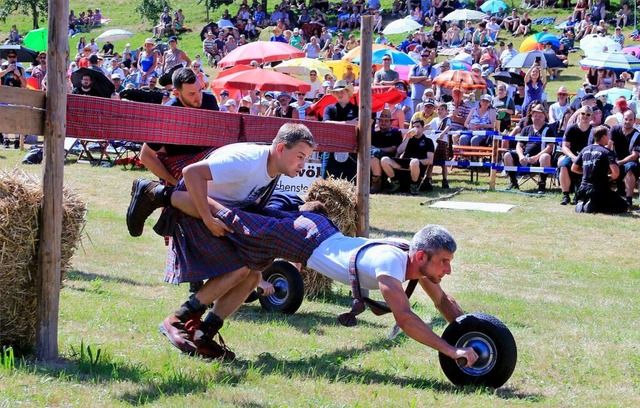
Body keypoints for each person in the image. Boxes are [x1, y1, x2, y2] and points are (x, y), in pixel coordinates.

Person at [183, 202, 479, 365]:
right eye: (444, 262)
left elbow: (442, 301)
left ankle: (205, 333)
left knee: (250, 271)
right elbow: (404, 318)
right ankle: (167, 193)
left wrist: (472, 332)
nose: (448, 270)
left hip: (322, 233)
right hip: (304, 239)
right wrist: (452, 351)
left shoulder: (416, 263)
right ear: (421, 256)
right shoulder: (390, 263)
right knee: (235, 217)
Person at [126, 124, 316, 359]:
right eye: (300, 157)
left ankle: (203, 334)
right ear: (280, 148)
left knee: (253, 272)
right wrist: (207, 219)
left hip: (218, 212)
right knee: (240, 267)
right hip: (192, 210)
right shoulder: (247, 161)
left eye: (306, 158)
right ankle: (177, 320)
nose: (303, 164)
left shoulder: (272, 171)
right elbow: (191, 173)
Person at [572, 126, 629, 214]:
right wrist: (609, 177)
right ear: (603, 137)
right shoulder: (607, 152)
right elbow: (616, 173)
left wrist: (588, 172)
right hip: (598, 189)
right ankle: (592, 206)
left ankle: (584, 202)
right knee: (623, 206)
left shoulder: (585, 150)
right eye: (608, 135)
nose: (610, 137)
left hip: (583, 188)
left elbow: (574, 168)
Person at [503, 104, 555, 191]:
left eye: (540, 116)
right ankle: (513, 182)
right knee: (507, 155)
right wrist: (521, 156)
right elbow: (519, 145)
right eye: (535, 116)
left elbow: (550, 147)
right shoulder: (526, 129)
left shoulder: (548, 129)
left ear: (544, 117)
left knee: (545, 156)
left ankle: (542, 184)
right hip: (525, 157)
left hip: (539, 159)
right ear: (531, 117)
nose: (537, 118)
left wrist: (536, 157)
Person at [382, 119, 435, 195]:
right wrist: (407, 137)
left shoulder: (428, 141)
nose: (415, 129)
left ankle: (414, 185)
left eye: (418, 127)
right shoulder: (409, 140)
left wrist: (416, 162)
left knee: (414, 161)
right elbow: (399, 151)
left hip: (417, 165)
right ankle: (395, 182)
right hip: (405, 162)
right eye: (413, 127)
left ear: (422, 128)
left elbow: (430, 160)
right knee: (384, 160)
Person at [558, 106, 593, 205]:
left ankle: (581, 195)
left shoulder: (593, 131)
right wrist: (573, 157)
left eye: (588, 114)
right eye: (583, 113)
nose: (585, 116)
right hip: (572, 156)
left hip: (588, 159)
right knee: (563, 165)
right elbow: (564, 147)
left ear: (591, 117)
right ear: (579, 114)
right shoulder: (571, 128)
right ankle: (566, 195)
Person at [609, 110, 640, 207]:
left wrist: (620, 162)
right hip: (615, 161)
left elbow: (634, 155)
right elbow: (609, 146)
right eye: (626, 119)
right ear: (622, 119)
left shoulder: (637, 135)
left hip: (630, 162)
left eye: (630, 120)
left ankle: (629, 199)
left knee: (630, 168)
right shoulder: (614, 129)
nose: (628, 121)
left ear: (634, 121)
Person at [370, 109, 403, 193]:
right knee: (371, 154)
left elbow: (393, 148)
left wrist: (377, 149)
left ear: (391, 122)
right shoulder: (374, 134)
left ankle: (377, 182)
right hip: (374, 158)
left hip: (390, 159)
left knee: (375, 153)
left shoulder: (396, 133)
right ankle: (376, 181)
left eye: (386, 121)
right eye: (381, 121)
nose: (383, 123)